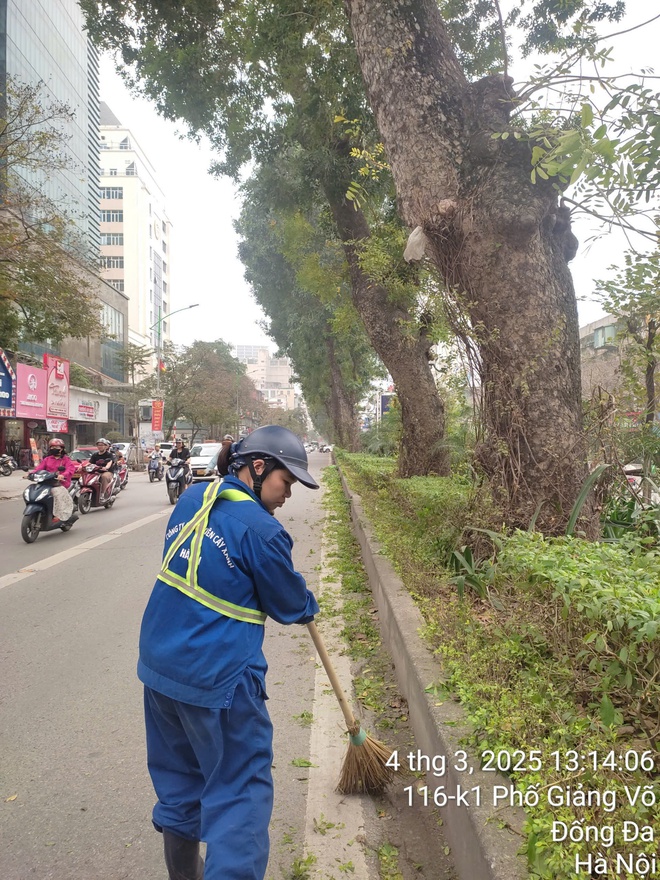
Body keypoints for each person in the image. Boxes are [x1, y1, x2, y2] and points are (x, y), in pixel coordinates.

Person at [138, 426, 320, 880]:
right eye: (286, 482)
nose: (287, 495)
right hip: (219, 681)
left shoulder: (192, 499)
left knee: (180, 786)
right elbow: (289, 605)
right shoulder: (262, 530)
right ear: (258, 467)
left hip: (160, 671)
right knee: (239, 795)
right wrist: (306, 601)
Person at [26, 438, 77, 522]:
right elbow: (39, 468)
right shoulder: (47, 459)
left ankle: (59, 514)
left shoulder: (66, 459)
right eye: (52, 447)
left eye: (56, 447)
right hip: (46, 482)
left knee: (57, 493)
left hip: (60, 483)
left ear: (62, 449)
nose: (54, 449)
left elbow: (70, 469)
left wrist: (62, 475)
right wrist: (31, 473)